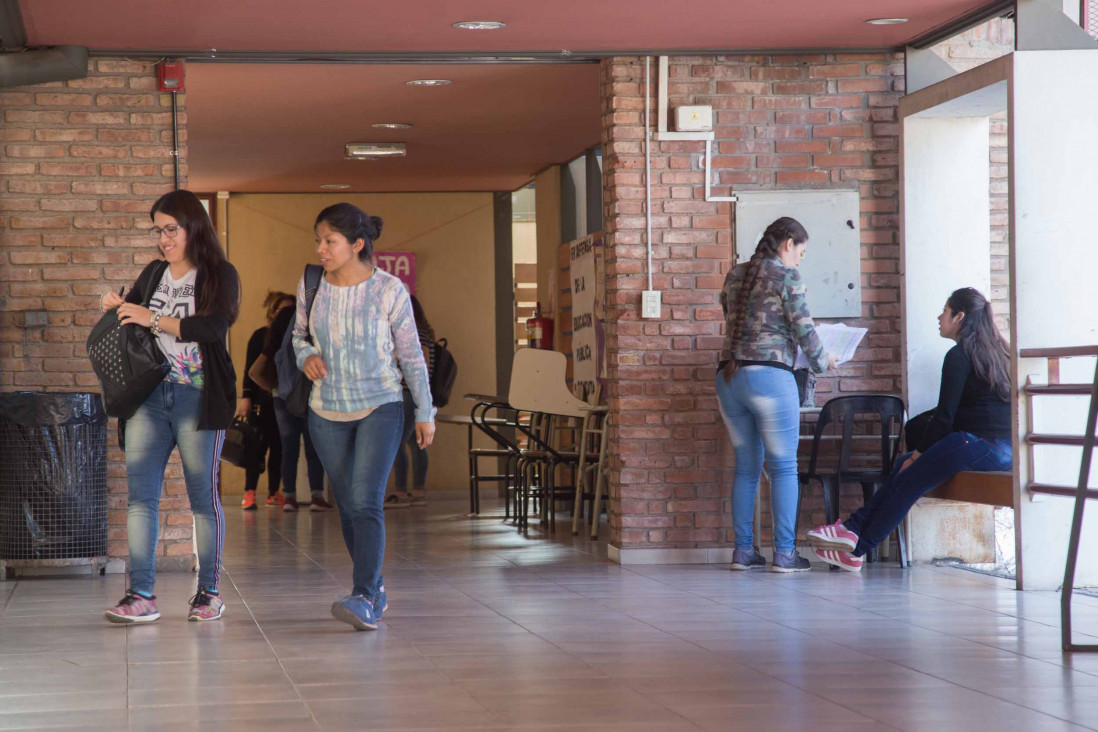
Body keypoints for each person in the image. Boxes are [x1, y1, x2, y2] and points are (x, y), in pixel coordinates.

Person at [99, 189, 239, 623]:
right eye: (157, 230)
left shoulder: (219, 273)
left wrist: (152, 318)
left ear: (193, 227)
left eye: (170, 229)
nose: (163, 238)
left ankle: (209, 593)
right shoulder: (155, 272)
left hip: (198, 396)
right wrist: (120, 308)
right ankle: (141, 595)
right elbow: (135, 319)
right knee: (141, 499)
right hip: (149, 399)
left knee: (203, 499)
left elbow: (213, 327)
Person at [293, 203, 435, 630]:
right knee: (349, 506)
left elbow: (411, 355)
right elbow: (298, 336)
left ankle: (364, 595)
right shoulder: (311, 284)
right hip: (325, 409)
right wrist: (307, 356)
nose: (321, 248)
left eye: (330, 241)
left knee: (367, 500)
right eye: (318, 239)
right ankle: (373, 589)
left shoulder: (390, 290)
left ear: (357, 245)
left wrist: (426, 411)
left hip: (381, 405)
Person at [808, 287, 1013, 571]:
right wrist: (915, 456)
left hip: (979, 444)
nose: (939, 316)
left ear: (960, 316)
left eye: (945, 310)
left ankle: (854, 539)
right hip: (1005, 449)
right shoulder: (999, 352)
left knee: (908, 474)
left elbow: (944, 418)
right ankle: (852, 540)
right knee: (905, 466)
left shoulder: (959, 356)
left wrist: (918, 454)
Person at [716, 216, 837, 573]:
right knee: (783, 467)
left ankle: (743, 552)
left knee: (746, 469)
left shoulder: (736, 274)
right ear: (788, 244)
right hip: (770, 378)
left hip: (728, 377)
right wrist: (823, 361)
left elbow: (731, 317)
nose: (800, 259)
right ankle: (784, 554)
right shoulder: (787, 276)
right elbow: (804, 329)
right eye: (801, 252)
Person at [263, 295, 332, 513]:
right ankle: (316, 495)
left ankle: (289, 496)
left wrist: (274, 385)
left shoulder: (277, 331)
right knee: (314, 446)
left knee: (288, 447)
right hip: (310, 393)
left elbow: (263, 362)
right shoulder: (312, 326)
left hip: (281, 395)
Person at [238, 291, 293, 510]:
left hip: (283, 401)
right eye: (282, 311)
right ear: (273, 312)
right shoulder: (260, 335)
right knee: (256, 448)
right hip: (261, 402)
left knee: (279, 449)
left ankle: (273, 492)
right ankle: (249, 492)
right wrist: (246, 397)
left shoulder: (295, 339)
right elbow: (249, 369)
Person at [386, 294, 434, 509]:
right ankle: (418, 489)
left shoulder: (414, 332)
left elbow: (418, 362)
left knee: (397, 441)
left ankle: (402, 489)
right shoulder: (425, 331)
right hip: (417, 393)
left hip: (408, 392)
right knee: (417, 443)